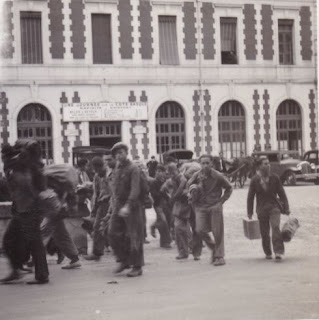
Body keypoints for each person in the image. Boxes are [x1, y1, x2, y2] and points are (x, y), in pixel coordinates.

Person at [1, 140, 49, 284]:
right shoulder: (19, 166)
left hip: (28, 209)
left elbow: (26, 186)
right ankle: (17, 269)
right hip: (22, 209)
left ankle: (40, 275)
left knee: (33, 242)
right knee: (14, 240)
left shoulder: (23, 166)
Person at [188, 154, 233, 266]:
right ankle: (213, 247)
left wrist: (221, 201)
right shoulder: (196, 176)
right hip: (201, 206)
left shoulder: (217, 176)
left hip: (214, 206)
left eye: (207, 163)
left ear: (212, 164)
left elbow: (229, 187)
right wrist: (193, 192)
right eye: (203, 163)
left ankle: (219, 256)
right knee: (199, 229)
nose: (205, 165)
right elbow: (189, 186)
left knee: (217, 231)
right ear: (200, 164)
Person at [108, 143, 144, 277]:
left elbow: (135, 189)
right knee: (112, 233)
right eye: (116, 153)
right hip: (118, 205)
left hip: (132, 206)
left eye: (121, 152)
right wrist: (114, 205)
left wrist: (128, 205)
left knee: (134, 236)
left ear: (126, 153)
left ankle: (137, 266)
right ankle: (123, 260)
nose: (118, 155)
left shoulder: (133, 168)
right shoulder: (117, 167)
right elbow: (115, 188)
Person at [247, 156, 290, 261]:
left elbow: (282, 194)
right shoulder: (255, 180)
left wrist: (287, 208)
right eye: (265, 164)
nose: (268, 165)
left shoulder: (275, 178)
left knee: (275, 227)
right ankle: (268, 252)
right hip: (261, 209)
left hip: (274, 207)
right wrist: (250, 212)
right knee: (264, 232)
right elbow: (250, 197)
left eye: (268, 163)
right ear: (260, 166)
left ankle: (278, 252)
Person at [84, 156, 112, 261]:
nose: (96, 171)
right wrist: (94, 209)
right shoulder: (96, 176)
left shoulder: (110, 175)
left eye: (98, 169)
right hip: (102, 204)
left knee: (110, 228)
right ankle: (97, 252)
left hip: (110, 203)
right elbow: (96, 193)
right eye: (95, 169)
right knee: (97, 228)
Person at [162, 163, 192, 260]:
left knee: (181, 228)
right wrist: (169, 195)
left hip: (185, 205)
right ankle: (185, 250)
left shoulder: (182, 178)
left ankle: (187, 250)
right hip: (178, 206)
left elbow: (181, 189)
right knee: (180, 228)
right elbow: (163, 189)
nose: (172, 175)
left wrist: (173, 197)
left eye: (173, 172)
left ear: (177, 170)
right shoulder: (171, 180)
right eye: (170, 173)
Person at [149, 165, 172, 249]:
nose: (158, 173)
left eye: (160, 171)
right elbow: (154, 194)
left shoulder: (166, 181)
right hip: (158, 204)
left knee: (167, 221)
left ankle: (155, 227)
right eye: (157, 172)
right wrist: (163, 192)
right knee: (163, 221)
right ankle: (166, 241)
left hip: (166, 204)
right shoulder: (153, 182)